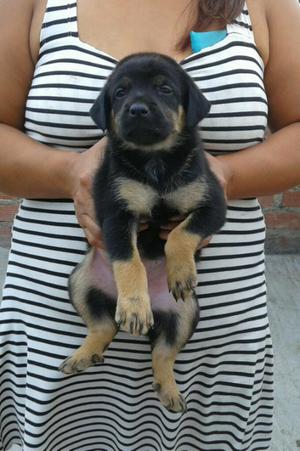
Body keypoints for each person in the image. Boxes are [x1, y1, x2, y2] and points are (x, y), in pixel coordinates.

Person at [0, 0, 299, 449]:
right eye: (123, 96)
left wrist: (227, 178)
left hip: (213, 343)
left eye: (161, 91)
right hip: (56, 325)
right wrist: (68, 173)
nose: (140, 105)